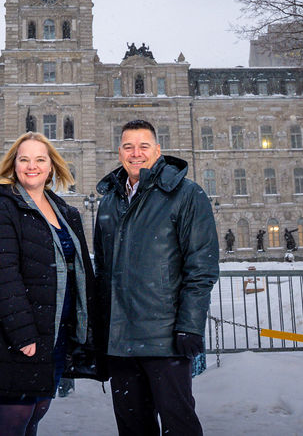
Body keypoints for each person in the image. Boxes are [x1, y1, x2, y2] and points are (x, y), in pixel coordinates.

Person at [94, 119, 220, 436]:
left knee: (179, 425)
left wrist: (190, 326)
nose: (136, 153)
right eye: (128, 146)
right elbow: (104, 272)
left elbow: (201, 267)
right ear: (119, 151)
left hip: (165, 341)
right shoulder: (109, 201)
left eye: (143, 146)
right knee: (133, 428)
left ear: (158, 150)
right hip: (121, 343)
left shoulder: (186, 195)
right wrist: (101, 332)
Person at [0, 132, 97, 435]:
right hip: (22, 336)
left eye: (40, 159)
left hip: (54, 333)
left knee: (36, 414)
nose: (32, 166)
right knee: (14, 421)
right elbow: (4, 274)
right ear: (13, 165)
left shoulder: (64, 211)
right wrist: (23, 335)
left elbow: (80, 272)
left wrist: (86, 327)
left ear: (52, 166)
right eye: (24, 159)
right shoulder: (1, 205)